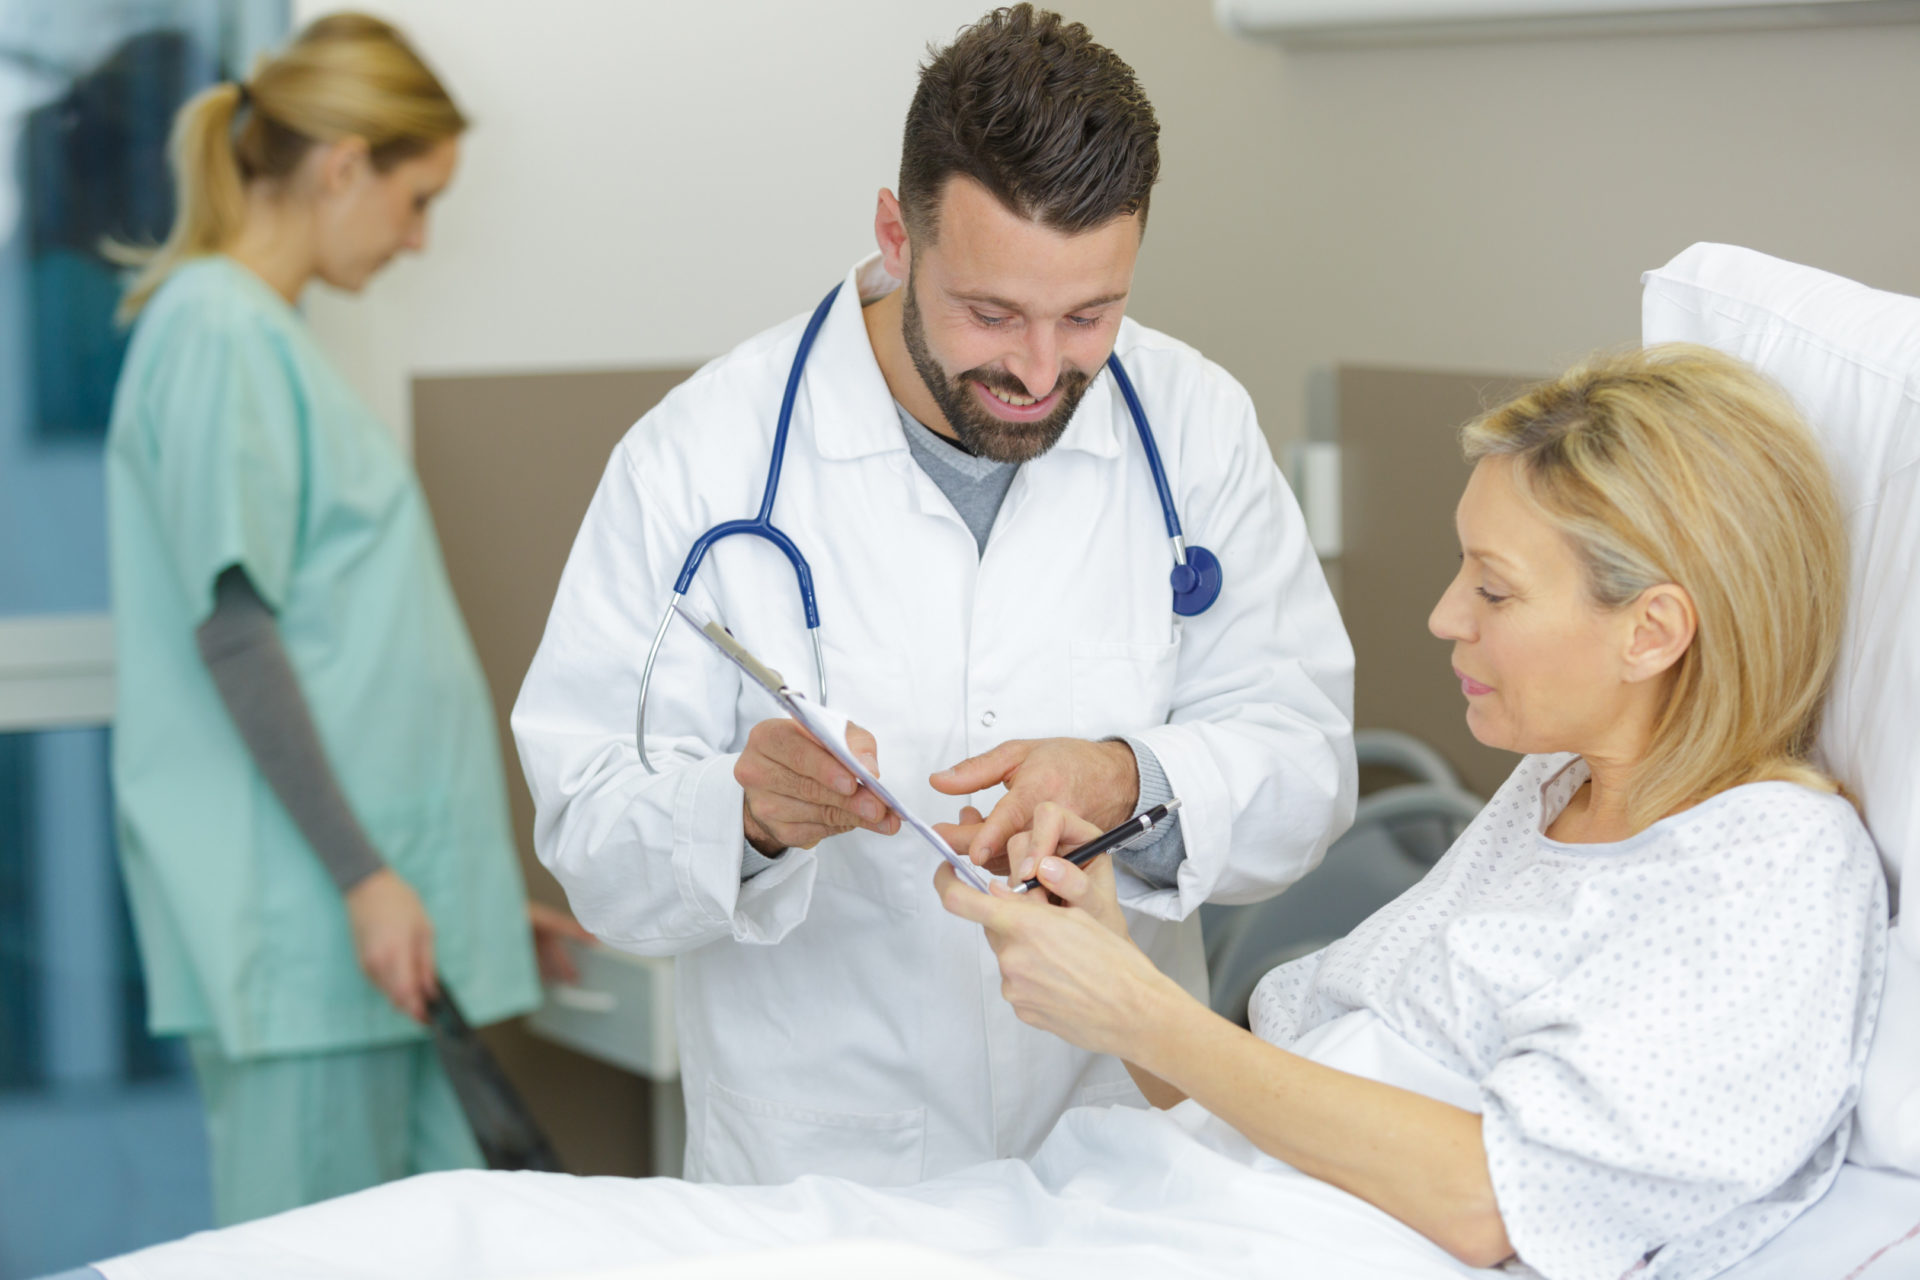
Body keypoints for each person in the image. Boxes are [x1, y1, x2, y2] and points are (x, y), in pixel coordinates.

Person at [94, 344, 1886, 1280]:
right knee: (455, 1234)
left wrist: (1140, 970)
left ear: (1658, 624)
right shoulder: (1555, 804)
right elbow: (1313, 1079)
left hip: (1163, 1230)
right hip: (1082, 1194)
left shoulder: (1767, 865)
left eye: (1492, 592)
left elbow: (1511, 1207)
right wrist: (1102, 955)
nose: (1443, 623)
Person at [509, 3, 1356, 1187]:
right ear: (895, 237)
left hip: (1118, 1168)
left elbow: (1309, 762)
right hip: (820, 1179)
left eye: (1090, 315)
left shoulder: (1194, 425)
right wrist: (747, 811)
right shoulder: (701, 455)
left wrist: (1128, 775)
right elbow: (589, 836)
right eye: (992, 311)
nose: (1040, 370)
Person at [105, 13, 588, 1226]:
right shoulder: (219, 331)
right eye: (416, 198)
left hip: (374, 937)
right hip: (316, 932)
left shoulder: (266, 337)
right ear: (341, 166)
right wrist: (370, 877)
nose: (420, 238)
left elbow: (352, 649)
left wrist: (456, 890)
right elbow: (234, 631)